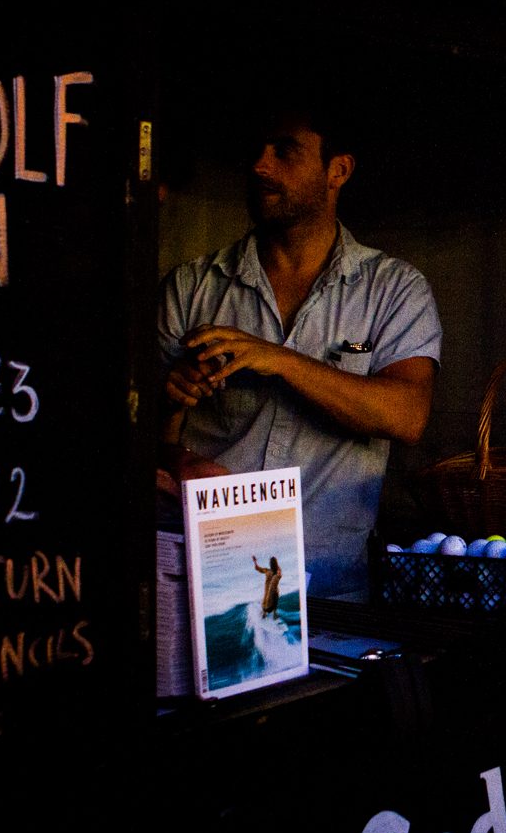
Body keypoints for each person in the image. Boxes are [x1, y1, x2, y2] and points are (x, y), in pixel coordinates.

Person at [158, 101, 442, 597]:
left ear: (339, 171)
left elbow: (407, 414)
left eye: (284, 151)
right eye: (257, 150)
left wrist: (283, 361)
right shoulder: (191, 287)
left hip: (332, 592)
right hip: (210, 589)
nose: (259, 165)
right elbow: (131, 431)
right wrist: (172, 417)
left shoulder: (395, 289)